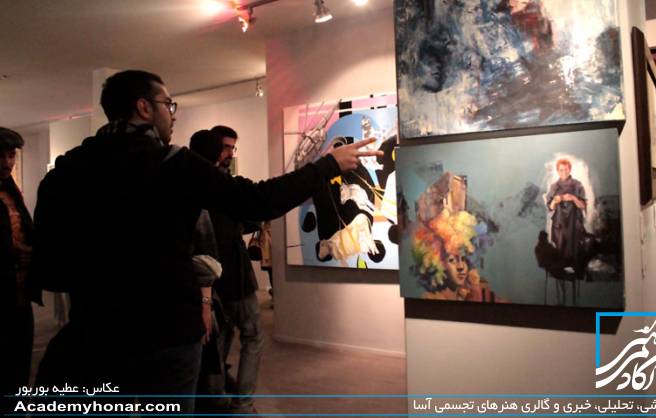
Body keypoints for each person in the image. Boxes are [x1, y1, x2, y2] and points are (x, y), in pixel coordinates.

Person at [31, 70, 380, 414]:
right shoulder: (172, 164)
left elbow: (50, 268)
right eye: (168, 105)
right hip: (167, 332)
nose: (172, 115)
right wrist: (326, 166)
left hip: (96, 332)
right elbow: (258, 200)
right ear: (144, 107)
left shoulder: (67, 170)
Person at [208, 125, 263, 413]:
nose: (230, 153)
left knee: (221, 339)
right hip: (231, 279)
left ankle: (217, 398)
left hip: (222, 278)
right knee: (251, 335)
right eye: (226, 147)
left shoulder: (213, 183)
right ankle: (241, 403)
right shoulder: (218, 186)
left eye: (233, 148)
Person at [0, 128, 36, 415]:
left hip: (19, 295)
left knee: (19, 366)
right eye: (1, 156)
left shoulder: (11, 191)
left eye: (11, 155)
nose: (7, 162)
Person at [410, 209, 496, 302]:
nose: (461, 267)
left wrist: (474, 290)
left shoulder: (467, 293)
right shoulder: (430, 299)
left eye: (464, 259)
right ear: (439, 265)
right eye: (452, 260)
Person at [546, 158, 587, 278]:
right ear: (557, 171)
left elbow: (583, 205)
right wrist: (555, 200)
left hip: (574, 222)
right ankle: (561, 273)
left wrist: (574, 198)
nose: (563, 172)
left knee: (574, 248)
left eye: (566, 169)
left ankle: (574, 273)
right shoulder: (554, 186)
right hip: (559, 223)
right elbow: (550, 208)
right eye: (561, 170)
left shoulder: (577, 185)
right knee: (560, 247)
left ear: (570, 170)